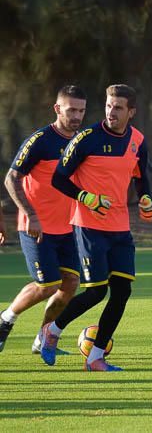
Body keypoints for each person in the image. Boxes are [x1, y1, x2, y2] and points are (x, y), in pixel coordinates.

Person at [40, 84, 152, 371]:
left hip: (120, 227)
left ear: (131, 111)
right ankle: (52, 330)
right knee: (95, 291)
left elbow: (140, 177)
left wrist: (145, 198)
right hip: (89, 226)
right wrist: (85, 197)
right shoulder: (86, 138)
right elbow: (59, 178)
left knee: (122, 292)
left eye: (118, 107)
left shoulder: (138, 141)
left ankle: (95, 358)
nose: (111, 112)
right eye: (108, 105)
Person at [0, 86, 87, 354]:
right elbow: (11, 179)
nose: (76, 116)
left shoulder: (82, 140)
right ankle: (5, 320)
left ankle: (43, 339)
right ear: (57, 109)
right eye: (71, 109)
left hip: (68, 227)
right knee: (47, 285)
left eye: (81, 110)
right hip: (36, 227)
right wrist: (32, 215)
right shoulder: (40, 140)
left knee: (70, 284)